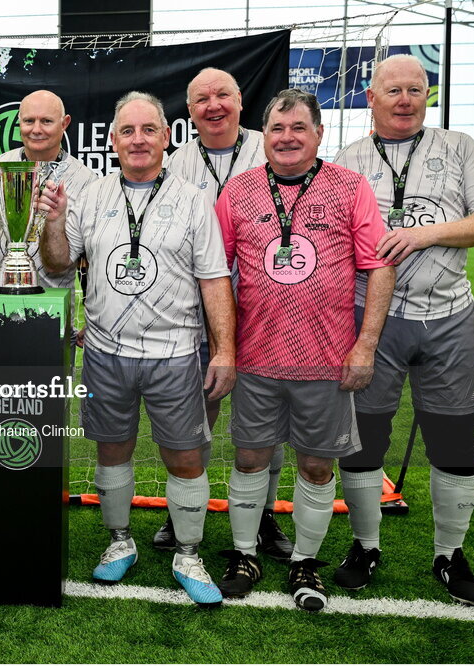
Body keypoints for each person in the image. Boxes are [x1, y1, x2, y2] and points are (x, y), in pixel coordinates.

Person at [40, 91, 237, 607]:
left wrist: (224, 350)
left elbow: (215, 280)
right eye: (127, 131)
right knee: (112, 450)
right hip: (106, 351)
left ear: (167, 136)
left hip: (175, 352)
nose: (138, 140)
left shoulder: (195, 200)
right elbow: (60, 263)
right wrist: (55, 222)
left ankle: (188, 550)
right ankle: (119, 540)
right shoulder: (92, 195)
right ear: (112, 139)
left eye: (148, 129)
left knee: (186, 457)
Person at [332, 54, 474, 606]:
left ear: (427, 96)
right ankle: (365, 545)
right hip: (371, 320)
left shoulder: (460, 147)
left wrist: (426, 235)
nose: (405, 99)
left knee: (453, 436)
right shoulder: (350, 159)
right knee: (365, 438)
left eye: (416, 90)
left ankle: (449, 553)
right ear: (371, 98)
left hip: (448, 313)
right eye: (394, 91)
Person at [214, 88, 395, 611]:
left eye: (299, 128)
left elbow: (379, 266)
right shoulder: (239, 192)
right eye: (277, 128)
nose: (287, 137)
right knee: (250, 461)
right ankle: (245, 553)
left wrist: (365, 345)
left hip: (326, 362)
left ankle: (305, 563)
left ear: (319, 134)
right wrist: (225, 346)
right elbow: (214, 274)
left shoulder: (349, 187)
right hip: (255, 359)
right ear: (263, 135)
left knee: (316, 468)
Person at [154, 67, 293, 560]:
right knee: (196, 416)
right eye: (201, 99)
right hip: (194, 309)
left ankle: (265, 517)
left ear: (240, 101)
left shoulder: (271, 148)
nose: (213, 106)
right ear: (188, 111)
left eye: (222, 96)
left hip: (266, 307)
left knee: (266, 421)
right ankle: (181, 513)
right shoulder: (173, 163)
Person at [0, 89, 97, 331]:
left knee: (48, 371)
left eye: (46, 121)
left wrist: (93, 319)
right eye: (29, 121)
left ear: (64, 123)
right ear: (19, 123)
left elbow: (91, 260)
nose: (36, 129)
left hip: (51, 314)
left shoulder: (86, 182)